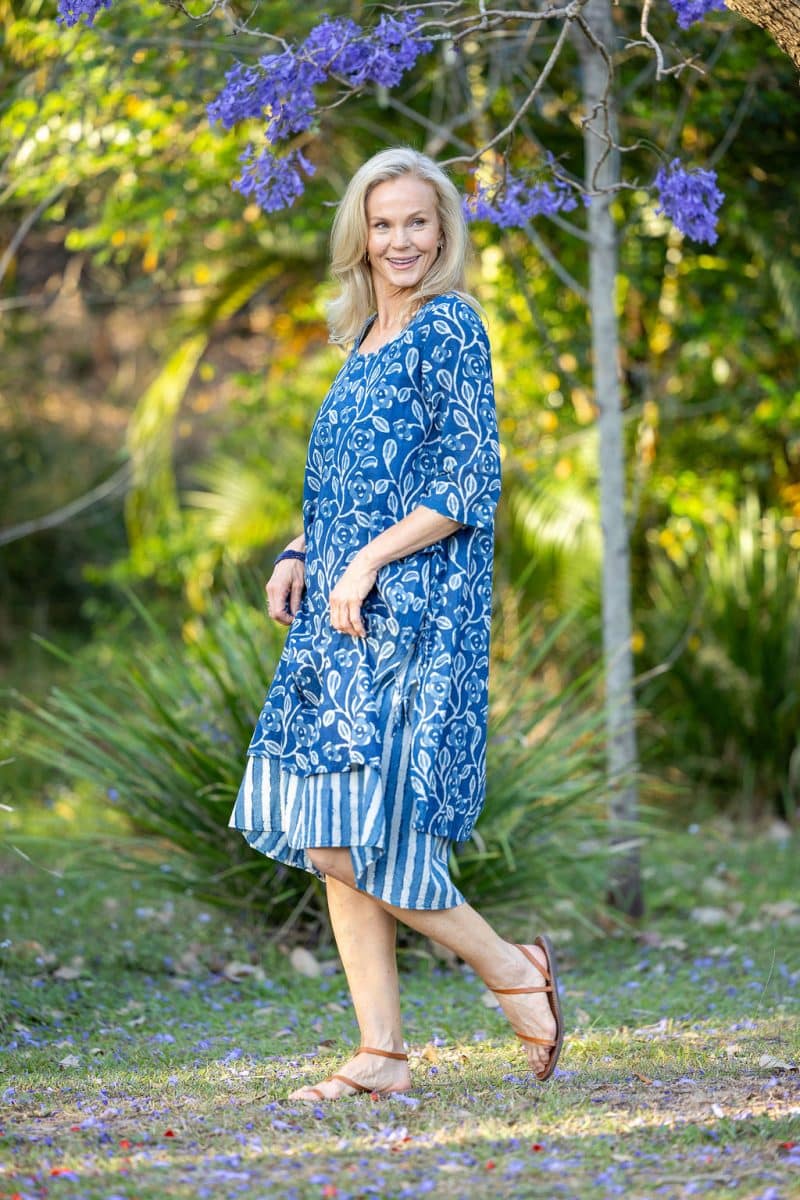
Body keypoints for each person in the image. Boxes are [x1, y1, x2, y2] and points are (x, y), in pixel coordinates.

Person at [228, 147, 563, 1101]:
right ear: (360, 237)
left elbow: (466, 484)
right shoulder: (364, 335)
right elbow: (348, 488)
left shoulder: (451, 328)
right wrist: (302, 552)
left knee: (356, 837)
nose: (401, 239)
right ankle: (381, 1056)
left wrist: (368, 562)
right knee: (329, 829)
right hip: (340, 614)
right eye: (383, 224)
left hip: (412, 615)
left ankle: (512, 970)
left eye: (418, 221)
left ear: (444, 231)